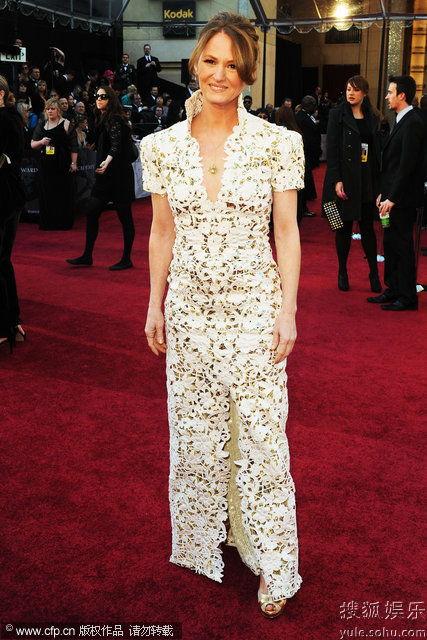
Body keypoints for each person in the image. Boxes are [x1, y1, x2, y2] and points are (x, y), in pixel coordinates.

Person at [140, 11, 304, 619]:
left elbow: (286, 233)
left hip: (256, 309)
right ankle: (212, 535)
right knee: (197, 431)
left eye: (232, 65)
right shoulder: (160, 147)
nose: (220, 74)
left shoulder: (277, 143)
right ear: (194, 65)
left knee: (261, 435)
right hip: (188, 311)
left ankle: (275, 561)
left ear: (247, 74)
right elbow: (161, 232)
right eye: (210, 61)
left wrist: (288, 312)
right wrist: (154, 303)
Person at [368, 75, 425, 311]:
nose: (386, 97)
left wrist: (393, 197)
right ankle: (393, 289)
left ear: (402, 95)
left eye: (390, 92)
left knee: (402, 245)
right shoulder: (401, 120)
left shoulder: (413, 123)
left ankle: (407, 296)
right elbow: (392, 166)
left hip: (402, 199)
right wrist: (384, 193)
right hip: (392, 196)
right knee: (390, 243)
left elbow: (406, 166)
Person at [322, 75, 382, 292]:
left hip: (366, 178)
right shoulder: (337, 114)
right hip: (345, 178)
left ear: (364, 93)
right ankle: (342, 271)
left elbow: (376, 151)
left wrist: (379, 183)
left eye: (355, 90)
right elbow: (332, 150)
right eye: (348, 89)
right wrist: (336, 179)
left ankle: (374, 273)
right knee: (343, 228)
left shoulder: (373, 116)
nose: (351, 93)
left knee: (368, 228)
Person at [66, 85, 136, 271]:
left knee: (125, 216)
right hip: (105, 176)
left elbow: (116, 145)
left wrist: (107, 161)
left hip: (119, 175)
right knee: (92, 212)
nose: (98, 99)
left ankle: (126, 259)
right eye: (97, 96)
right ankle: (87, 255)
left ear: (111, 99)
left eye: (103, 96)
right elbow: (92, 141)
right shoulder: (101, 118)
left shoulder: (116, 119)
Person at [0, 76, 26, 351]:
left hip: (4, 197)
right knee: (3, 261)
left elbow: (9, 157)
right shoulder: (13, 118)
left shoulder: (6, 119)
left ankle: (6, 325)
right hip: (11, 196)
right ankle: (12, 322)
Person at [31, 98, 78, 230]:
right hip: (45, 166)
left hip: (62, 165)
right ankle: (48, 222)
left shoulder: (66, 124)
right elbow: (32, 144)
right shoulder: (42, 124)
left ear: (58, 110)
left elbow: (74, 146)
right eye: (48, 109)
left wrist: (73, 163)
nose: (50, 111)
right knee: (47, 194)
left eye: (52, 108)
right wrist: (41, 142)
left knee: (62, 194)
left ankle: (62, 222)